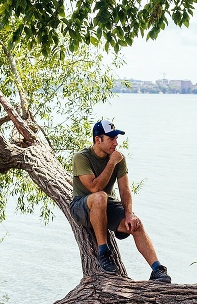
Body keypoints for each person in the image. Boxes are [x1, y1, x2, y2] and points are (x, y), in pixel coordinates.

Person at [69, 119, 171, 283]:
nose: (116, 143)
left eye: (116, 138)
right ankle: (103, 252)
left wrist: (129, 214)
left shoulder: (118, 159)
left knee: (135, 222)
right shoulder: (82, 157)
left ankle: (157, 269)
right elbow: (94, 188)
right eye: (111, 139)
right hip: (81, 206)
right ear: (98, 139)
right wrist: (111, 163)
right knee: (100, 196)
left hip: (105, 204)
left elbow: (125, 190)